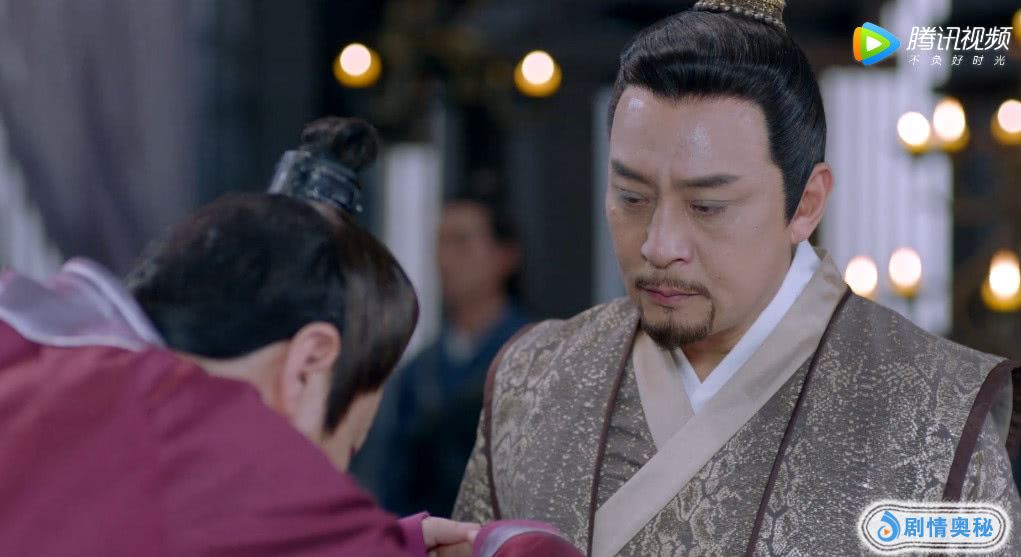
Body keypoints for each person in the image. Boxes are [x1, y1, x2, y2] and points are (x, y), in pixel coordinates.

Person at [453, 2, 1021, 555]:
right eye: (631, 197)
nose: (659, 246)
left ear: (806, 203)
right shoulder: (533, 381)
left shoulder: (937, 411)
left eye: (707, 207)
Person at [0, 117, 582, 557]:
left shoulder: (37, 344)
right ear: (308, 366)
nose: (328, 486)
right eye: (341, 448)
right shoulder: (212, 455)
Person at [355, 192, 530, 517]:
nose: (446, 260)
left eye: (461, 242)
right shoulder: (418, 372)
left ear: (506, 255)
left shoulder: (538, 353)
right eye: (440, 243)